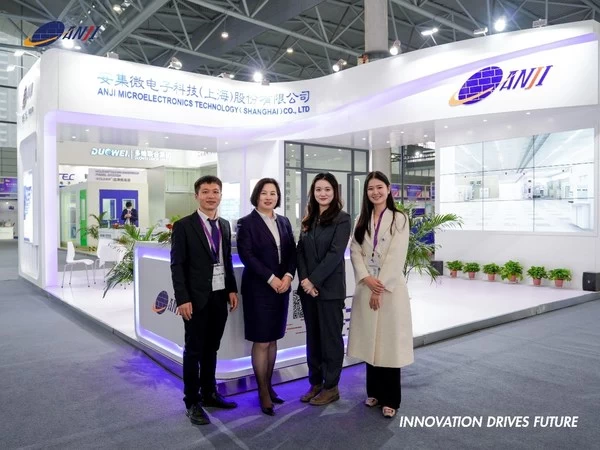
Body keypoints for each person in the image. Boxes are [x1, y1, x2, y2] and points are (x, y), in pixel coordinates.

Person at [170, 175, 239, 426]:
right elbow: (177, 265)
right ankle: (192, 401)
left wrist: (231, 289)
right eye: (206, 191)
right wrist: (183, 298)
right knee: (194, 350)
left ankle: (209, 393)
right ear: (196, 196)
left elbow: (226, 260)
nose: (211, 196)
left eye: (215, 191)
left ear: (221, 195)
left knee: (212, 347)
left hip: (219, 296)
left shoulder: (224, 225)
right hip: (195, 298)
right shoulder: (184, 226)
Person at [347, 171, 414, 419]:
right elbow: (355, 251)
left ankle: (391, 399)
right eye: (370, 188)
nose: (375, 192)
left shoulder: (399, 219)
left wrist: (379, 287)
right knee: (370, 341)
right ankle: (373, 392)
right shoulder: (361, 219)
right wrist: (366, 278)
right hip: (366, 286)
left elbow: (396, 257)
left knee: (388, 344)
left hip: (389, 290)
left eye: (379, 187)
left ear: (388, 189)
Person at [236, 178, 296, 416]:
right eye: (264, 193)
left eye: (273, 193)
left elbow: (292, 252)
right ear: (256, 196)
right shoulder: (246, 223)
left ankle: (269, 386)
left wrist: (288, 276)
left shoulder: (284, 221)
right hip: (259, 289)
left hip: (282, 289)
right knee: (261, 341)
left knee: (273, 339)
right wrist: (271, 279)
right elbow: (247, 255)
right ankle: (262, 391)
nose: (269, 197)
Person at [297, 172, 351, 406]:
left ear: (334, 192)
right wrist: (304, 280)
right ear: (313, 192)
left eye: (327, 189)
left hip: (329, 290)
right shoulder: (309, 218)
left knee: (330, 339)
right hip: (308, 291)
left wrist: (313, 281)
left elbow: (335, 254)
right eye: (318, 189)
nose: (323, 193)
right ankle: (316, 383)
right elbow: (300, 251)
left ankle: (331, 387)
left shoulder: (342, 218)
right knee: (313, 339)